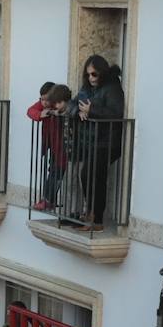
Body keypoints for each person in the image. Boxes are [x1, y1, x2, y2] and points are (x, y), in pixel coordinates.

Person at [74, 55, 127, 230]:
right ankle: (92, 215)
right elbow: (75, 102)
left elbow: (116, 113)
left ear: (102, 72)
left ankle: (95, 217)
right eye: (88, 74)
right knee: (92, 176)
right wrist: (79, 112)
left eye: (94, 74)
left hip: (108, 141)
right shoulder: (89, 88)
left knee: (91, 175)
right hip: (94, 140)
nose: (91, 78)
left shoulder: (112, 88)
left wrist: (91, 110)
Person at [28, 83, 72, 211]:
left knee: (57, 173)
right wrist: (40, 114)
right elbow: (30, 111)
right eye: (42, 99)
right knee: (52, 171)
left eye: (47, 99)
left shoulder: (58, 106)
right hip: (52, 146)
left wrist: (53, 112)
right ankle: (47, 199)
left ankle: (48, 200)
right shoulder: (43, 106)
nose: (44, 102)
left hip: (62, 147)